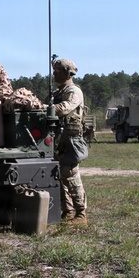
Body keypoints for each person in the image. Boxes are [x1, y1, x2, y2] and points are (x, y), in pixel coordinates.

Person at [52, 57, 88, 225]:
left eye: (58, 71)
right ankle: (67, 211)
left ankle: (81, 213)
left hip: (71, 139)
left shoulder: (73, 91)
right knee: (60, 176)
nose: (54, 74)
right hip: (59, 138)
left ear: (67, 73)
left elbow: (65, 108)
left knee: (72, 176)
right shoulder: (57, 92)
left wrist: (48, 108)